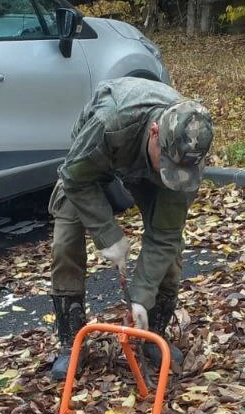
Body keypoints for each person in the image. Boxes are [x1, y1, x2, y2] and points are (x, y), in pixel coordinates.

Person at [48, 76, 214, 380]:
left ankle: (152, 332)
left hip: (140, 162)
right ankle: (71, 342)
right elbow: (75, 178)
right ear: (154, 133)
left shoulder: (188, 155)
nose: (172, 174)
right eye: (166, 162)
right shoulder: (109, 122)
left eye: (179, 170)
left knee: (171, 252)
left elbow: (164, 236)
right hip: (91, 164)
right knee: (65, 239)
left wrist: (140, 295)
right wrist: (107, 234)